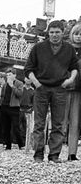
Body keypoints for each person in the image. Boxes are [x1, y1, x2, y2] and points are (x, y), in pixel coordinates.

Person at [25, 20, 78, 163]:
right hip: (41, 87)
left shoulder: (69, 49)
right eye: (52, 32)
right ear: (48, 33)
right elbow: (28, 68)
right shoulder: (38, 48)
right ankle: (38, 154)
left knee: (59, 123)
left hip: (60, 88)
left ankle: (54, 154)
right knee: (39, 123)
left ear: (62, 33)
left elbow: (74, 67)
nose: (54, 35)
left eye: (57, 32)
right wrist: (36, 83)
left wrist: (70, 79)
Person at [0, 68, 25, 150]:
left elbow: (20, 94)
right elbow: (2, 95)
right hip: (4, 107)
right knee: (5, 127)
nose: (8, 77)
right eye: (7, 75)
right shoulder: (5, 84)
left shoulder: (19, 83)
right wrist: (0, 104)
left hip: (14, 108)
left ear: (14, 75)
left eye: (10, 75)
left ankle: (21, 145)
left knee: (16, 127)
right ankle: (8, 145)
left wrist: (12, 86)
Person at [66, 23, 81, 161]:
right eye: (76, 34)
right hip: (64, 88)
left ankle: (72, 153)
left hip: (78, 90)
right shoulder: (65, 49)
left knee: (75, 123)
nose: (78, 37)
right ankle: (55, 151)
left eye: (80, 34)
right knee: (60, 121)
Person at [20, 77, 36, 153]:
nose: (28, 80)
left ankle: (28, 143)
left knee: (28, 128)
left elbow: (34, 102)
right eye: (27, 78)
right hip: (19, 109)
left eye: (30, 79)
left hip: (29, 110)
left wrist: (31, 109)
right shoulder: (20, 89)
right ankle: (21, 143)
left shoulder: (33, 91)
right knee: (19, 127)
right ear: (24, 79)